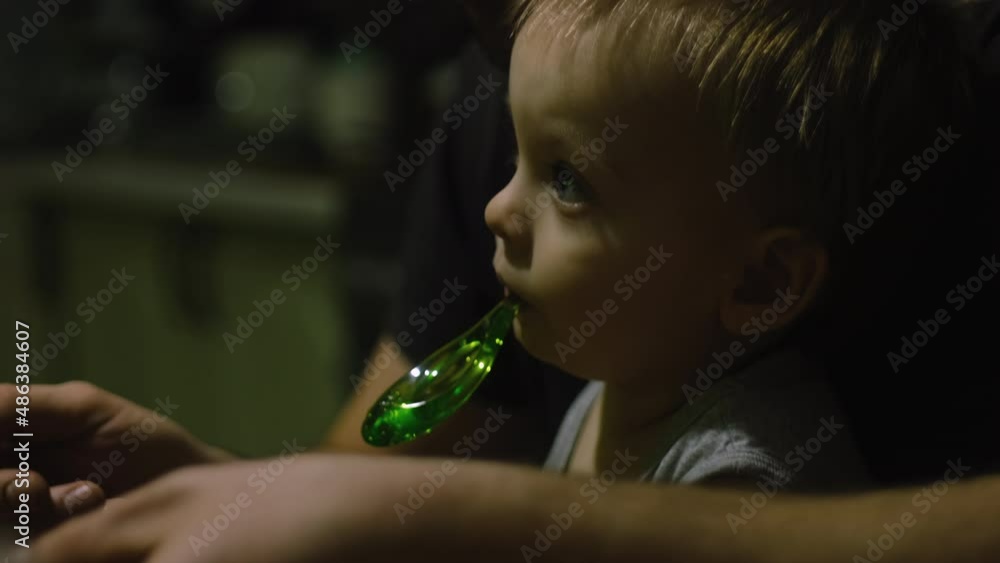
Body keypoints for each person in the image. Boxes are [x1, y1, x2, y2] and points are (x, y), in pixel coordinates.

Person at [4, 1, 1000, 562]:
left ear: (761, 280)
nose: (495, 207)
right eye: (516, 158)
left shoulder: (746, 466)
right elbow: (385, 465)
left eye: (566, 181)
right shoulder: (612, 378)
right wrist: (217, 495)